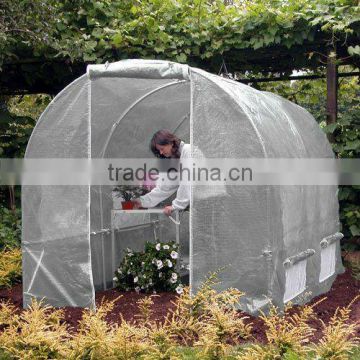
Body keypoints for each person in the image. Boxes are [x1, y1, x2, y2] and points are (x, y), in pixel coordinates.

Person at [133, 129, 190, 216]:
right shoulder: (173, 159)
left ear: (171, 143)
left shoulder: (188, 151)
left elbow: (187, 181)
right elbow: (165, 187)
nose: (161, 152)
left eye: (162, 149)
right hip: (197, 204)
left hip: (211, 200)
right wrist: (141, 202)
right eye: (159, 151)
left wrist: (176, 206)